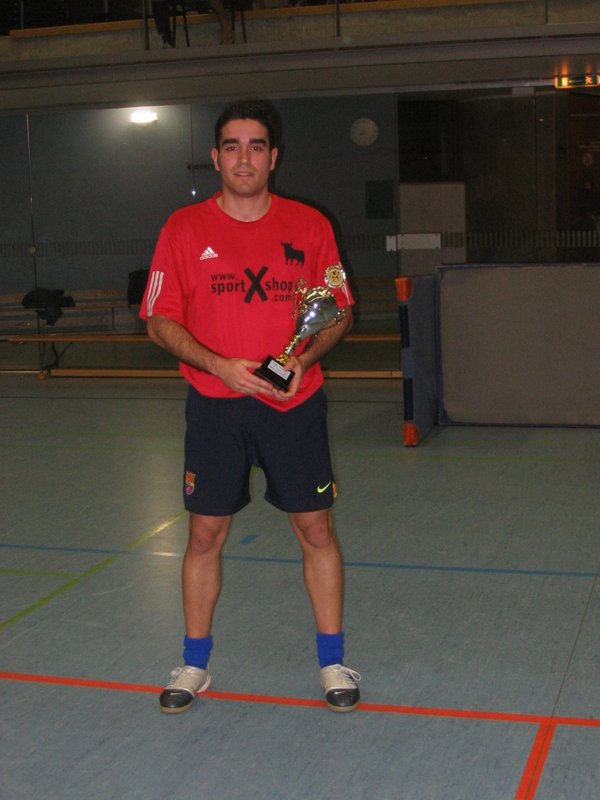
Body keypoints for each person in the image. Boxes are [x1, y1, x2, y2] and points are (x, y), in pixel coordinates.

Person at [141, 99, 360, 714]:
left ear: (273, 157)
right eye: (233, 147)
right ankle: (194, 663)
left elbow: (338, 311)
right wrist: (219, 365)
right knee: (204, 535)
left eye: (256, 146)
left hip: (295, 404)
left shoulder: (310, 226)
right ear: (216, 158)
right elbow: (159, 320)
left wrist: (303, 361)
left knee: (315, 529)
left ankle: (332, 661)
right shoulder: (183, 229)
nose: (245, 158)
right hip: (215, 406)